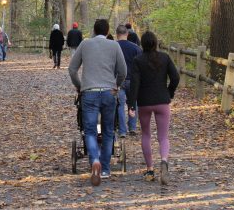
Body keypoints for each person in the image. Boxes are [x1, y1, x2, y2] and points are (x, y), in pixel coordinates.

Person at [68, 19, 126, 186]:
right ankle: (106, 168)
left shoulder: (85, 44)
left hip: (89, 93)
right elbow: (123, 71)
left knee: (90, 130)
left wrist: (80, 86)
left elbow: (72, 69)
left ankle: (94, 160)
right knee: (108, 131)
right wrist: (117, 84)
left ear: (93, 30)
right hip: (109, 92)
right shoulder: (114, 45)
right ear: (108, 31)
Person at [127, 31, 179, 185]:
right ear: (156, 43)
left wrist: (131, 104)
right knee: (163, 137)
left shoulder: (138, 60)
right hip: (162, 101)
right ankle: (164, 162)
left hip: (144, 102)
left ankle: (150, 170)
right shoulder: (165, 57)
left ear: (142, 44)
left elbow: (134, 83)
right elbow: (175, 77)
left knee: (146, 135)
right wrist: (169, 92)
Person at [115, 25, 143, 138]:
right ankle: (132, 127)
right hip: (133, 80)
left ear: (117, 34)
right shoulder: (136, 48)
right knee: (133, 104)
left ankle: (122, 130)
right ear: (127, 34)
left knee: (120, 105)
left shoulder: (113, 46)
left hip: (118, 80)